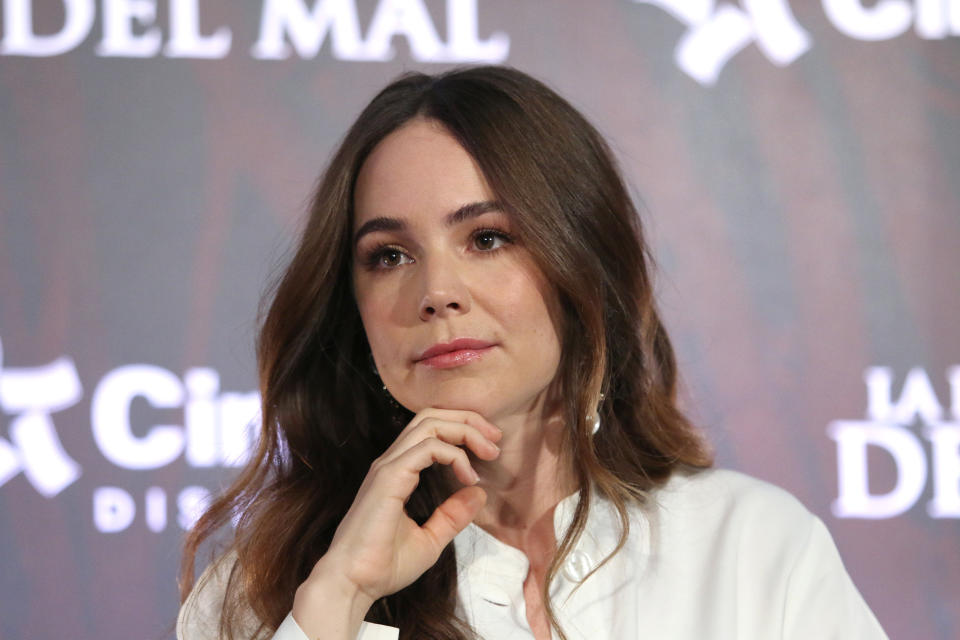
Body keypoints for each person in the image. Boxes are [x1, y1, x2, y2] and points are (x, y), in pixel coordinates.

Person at [177, 66, 886, 640]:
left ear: (582, 261)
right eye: (389, 255)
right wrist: (340, 598)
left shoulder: (750, 549)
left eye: (487, 238)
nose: (436, 292)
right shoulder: (262, 596)